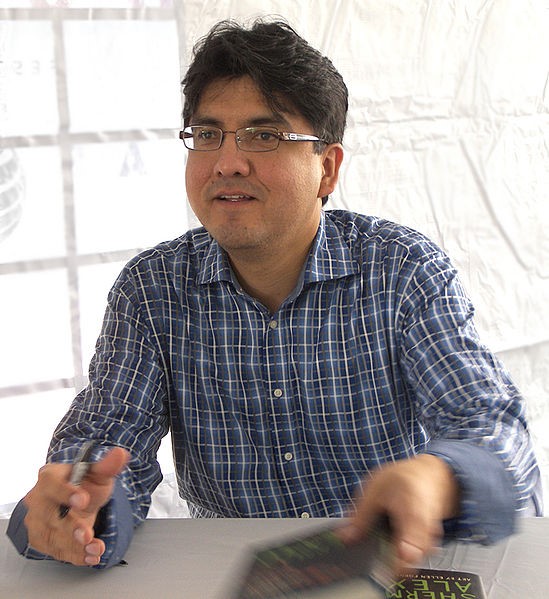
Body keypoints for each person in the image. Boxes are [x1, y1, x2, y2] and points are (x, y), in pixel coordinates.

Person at [8, 18, 542, 571]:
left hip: (391, 564)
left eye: (264, 136)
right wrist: (79, 500)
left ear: (327, 169)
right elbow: (105, 438)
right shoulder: (153, 289)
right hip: (233, 573)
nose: (227, 162)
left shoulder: (401, 271)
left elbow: (496, 433)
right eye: (208, 135)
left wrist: (438, 477)